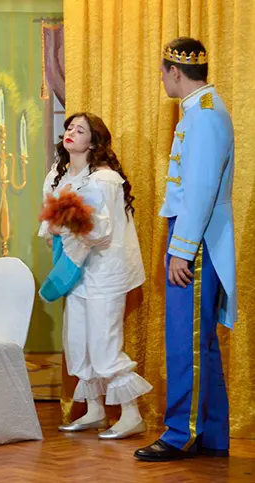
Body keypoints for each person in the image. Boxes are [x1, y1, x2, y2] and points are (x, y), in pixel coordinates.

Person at [135, 38, 236, 462]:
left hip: (196, 237)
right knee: (201, 341)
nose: (161, 79)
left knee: (186, 340)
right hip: (195, 233)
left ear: (174, 71)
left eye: (162, 72)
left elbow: (199, 190)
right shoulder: (200, 110)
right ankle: (211, 433)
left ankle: (180, 433)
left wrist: (182, 249)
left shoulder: (205, 115)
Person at [38, 113, 151, 439]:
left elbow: (99, 231)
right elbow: (50, 221)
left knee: (104, 342)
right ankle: (95, 409)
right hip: (77, 270)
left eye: (80, 129)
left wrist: (62, 226)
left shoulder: (104, 179)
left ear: (93, 142)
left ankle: (131, 414)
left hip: (104, 271)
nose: (71, 132)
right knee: (79, 341)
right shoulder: (57, 176)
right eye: (69, 127)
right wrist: (54, 227)